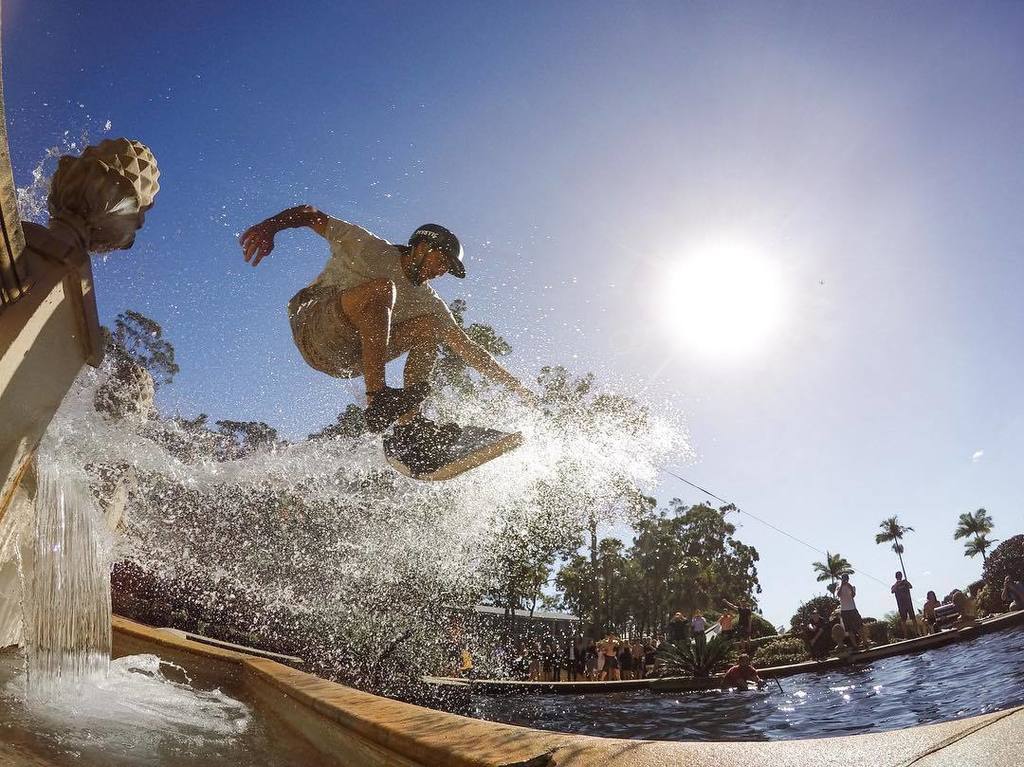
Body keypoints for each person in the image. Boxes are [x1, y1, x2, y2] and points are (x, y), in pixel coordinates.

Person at [240, 208, 536, 466]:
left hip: (351, 358)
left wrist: (520, 390)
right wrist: (269, 227)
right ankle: (378, 397)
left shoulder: (428, 301)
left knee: (432, 325)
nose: (441, 272)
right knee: (382, 289)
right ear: (421, 246)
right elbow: (310, 214)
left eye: (447, 269)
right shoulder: (369, 248)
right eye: (441, 261)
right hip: (315, 329)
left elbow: (467, 348)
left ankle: (411, 429)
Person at [836, 574, 865, 649]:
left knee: (860, 626)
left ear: (848, 579)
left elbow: (853, 595)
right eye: (844, 579)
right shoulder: (839, 587)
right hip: (844, 610)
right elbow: (838, 595)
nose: (845, 580)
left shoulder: (852, 586)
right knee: (849, 629)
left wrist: (849, 586)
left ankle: (865, 641)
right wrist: (842, 585)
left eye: (846, 579)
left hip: (852, 609)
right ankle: (855, 645)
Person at [890, 572, 920, 638]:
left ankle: (917, 633)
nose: (899, 577)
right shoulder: (895, 585)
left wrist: (906, 582)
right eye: (898, 576)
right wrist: (897, 584)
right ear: (896, 577)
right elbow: (892, 591)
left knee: (913, 618)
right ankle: (905, 635)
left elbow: (910, 586)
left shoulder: (905, 583)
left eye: (900, 576)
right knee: (903, 620)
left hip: (908, 603)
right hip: (901, 605)